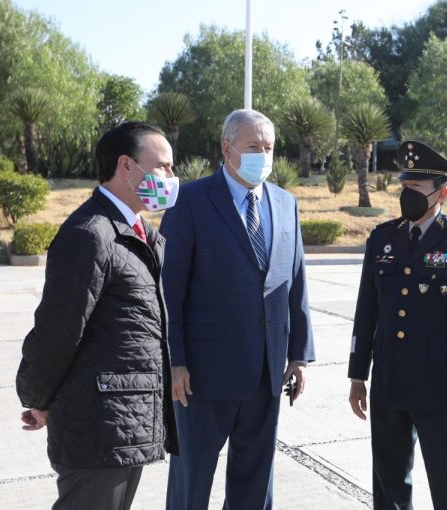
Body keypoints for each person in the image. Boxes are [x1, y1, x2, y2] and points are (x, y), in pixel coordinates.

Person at [16, 121, 180, 510]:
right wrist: (37, 397)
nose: (172, 177)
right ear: (127, 166)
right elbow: (58, 330)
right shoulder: (90, 234)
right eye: (163, 166)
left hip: (125, 424)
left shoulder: (140, 234)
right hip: (97, 428)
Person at [161, 108, 315, 509]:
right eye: (253, 147)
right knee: (191, 484)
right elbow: (169, 291)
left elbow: (295, 283)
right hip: (200, 379)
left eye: (268, 147)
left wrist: (299, 355)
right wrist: (174, 361)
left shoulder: (286, 203)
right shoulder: (190, 201)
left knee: (255, 486)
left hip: (266, 375)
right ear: (227, 149)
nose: (263, 155)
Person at [348, 140, 447, 510]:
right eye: (403, 187)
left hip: (441, 388)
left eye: (416, 189)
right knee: (389, 484)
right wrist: (357, 375)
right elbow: (367, 312)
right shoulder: (382, 238)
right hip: (389, 381)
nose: (406, 194)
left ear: (442, 192)